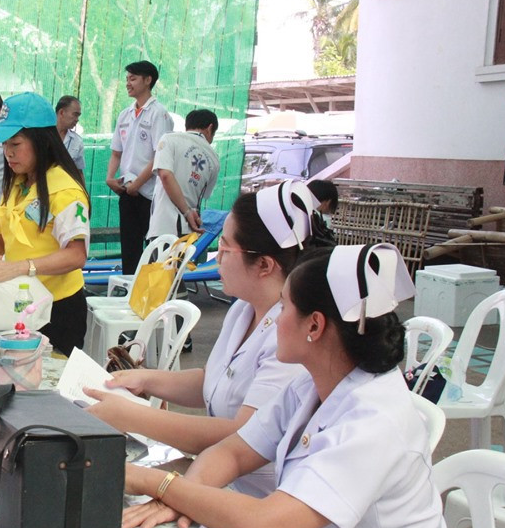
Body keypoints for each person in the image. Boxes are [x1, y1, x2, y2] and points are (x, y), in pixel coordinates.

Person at [121, 244, 468, 528]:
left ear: (314, 326)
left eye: (283, 309)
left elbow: (268, 524)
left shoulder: (376, 421)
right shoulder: (311, 383)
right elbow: (233, 453)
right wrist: (184, 497)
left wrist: (155, 482)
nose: (273, 320)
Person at [86, 181, 329, 497]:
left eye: (226, 249)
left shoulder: (290, 334)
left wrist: (133, 416)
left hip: (257, 493)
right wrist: (145, 379)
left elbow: (243, 436)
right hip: (214, 474)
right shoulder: (243, 307)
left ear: (265, 265)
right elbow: (214, 382)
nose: (216, 257)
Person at [0, 92, 91, 357]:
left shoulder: (65, 191)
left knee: (49, 388)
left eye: (15, 144)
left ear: (42, 142)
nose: (8, 153)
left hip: (59, 310)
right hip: (24, 304)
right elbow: (0, 238)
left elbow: (76, 255)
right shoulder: (18, 183)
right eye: (5, 145)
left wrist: (20, 268)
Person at [106, 60, 174, 275]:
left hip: (150, 194)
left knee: (153, 248)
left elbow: (158, 156)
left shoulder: (158, 113)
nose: (128, 83)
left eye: (133, 78)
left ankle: (151, 294)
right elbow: (117, 152)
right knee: (129, 246)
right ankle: (128, 293)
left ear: (148, 80)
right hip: (127, 190)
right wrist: (110, 178)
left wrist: (138, 184)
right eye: (127, 79)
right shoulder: (124, 115)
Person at [146, 109, 220, 239]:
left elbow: (165, 175)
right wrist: (188, 211)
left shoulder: (169, 139)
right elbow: (204, 194)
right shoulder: (214, 158)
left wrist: (186, 212)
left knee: (160, 260)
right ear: (210, 128)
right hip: (191, 230)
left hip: (163, 227)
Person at [55, 95, 85, 179]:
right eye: (75, 115)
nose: (77, 119)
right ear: (61, 112)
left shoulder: (77, 141)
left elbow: (79, 172)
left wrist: (83, 191)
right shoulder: (43, 136)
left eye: (78, 116)